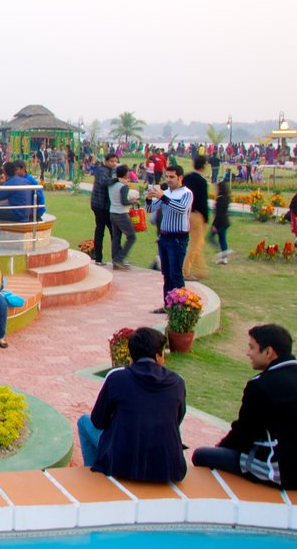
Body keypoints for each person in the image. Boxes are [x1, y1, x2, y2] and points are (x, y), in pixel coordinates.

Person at [193, 324, 297, 489]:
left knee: (201, 455)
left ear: (268, 352)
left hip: (283, 472)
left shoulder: (261, 386)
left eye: (252, 348)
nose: (248, 353)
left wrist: (221, 448)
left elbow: (244, 434)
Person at [77, 327, 187, 482]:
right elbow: (177, 420)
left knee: (84, 422)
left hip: (122, 465)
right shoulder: (177, 382)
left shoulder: (117, 378)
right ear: (157, 355)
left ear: (132, 355)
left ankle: (93, 479)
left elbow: (98, 421)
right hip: (169, 467)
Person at [148, 164, 193, 311]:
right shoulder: (166, 193)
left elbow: (181, 209)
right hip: (164, 237)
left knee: (176, 273)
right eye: (167, 176)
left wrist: (163, 197)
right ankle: (168, 305)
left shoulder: (186, 193)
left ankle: (180, 306)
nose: (169, 179)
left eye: (172, 177)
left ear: (180, 178)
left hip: (178, 238)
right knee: (166, 274)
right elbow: (150, 209)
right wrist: (149, 198)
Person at [182, 156, 210, 280]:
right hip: (196, 214)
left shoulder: (186, 178)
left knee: (196, 242)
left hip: (184, 212)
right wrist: (206, 218)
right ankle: (185, 271)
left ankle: (201, 269)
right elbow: (203, 202)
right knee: (196, 243)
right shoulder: (202, 181)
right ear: (204, 167)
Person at [90, 153, 117, 265]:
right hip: (101, 205)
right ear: (106, 161)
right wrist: (117, 180)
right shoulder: (102, 171)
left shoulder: (108, 171)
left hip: (101, 205)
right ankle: (116, 258)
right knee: (112, 231)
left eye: (115, 161)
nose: (114, 163)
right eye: (111, 161)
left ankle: (98, 258)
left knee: (100, 230)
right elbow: (103, 182)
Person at [108, 164, 137, 270]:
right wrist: (133, 201)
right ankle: (119, 258)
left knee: (116, 238)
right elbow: (124, 202)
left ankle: (115, 259)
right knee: (131, 237)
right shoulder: (123, 186)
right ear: (126, 174)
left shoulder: (112, 184)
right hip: (121, 214)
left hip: (113, 213)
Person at [211, 180, 232, 264]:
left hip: (220, 222)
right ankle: (224, 257)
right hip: (225, 222)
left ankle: (223, 253)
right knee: (222, 239)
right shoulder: (227, 198)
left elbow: (218, 214)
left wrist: (214, 225)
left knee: (211, 237)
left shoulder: (220, 199)